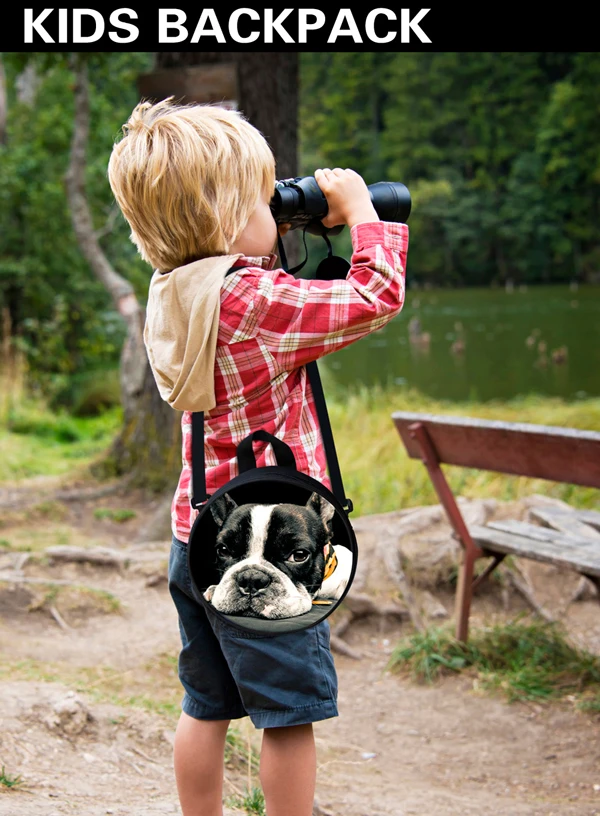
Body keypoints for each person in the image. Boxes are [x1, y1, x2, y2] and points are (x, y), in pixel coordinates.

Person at [107, 97, 408, 816]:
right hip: (265, 542)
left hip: (195, 534)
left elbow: (277, 287)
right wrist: (363, 212)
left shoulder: (176, 290)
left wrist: (282, 235)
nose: (276, 212)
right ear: (222, 217)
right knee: (288, 714)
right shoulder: (252, 300)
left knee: (204, 705)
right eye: (260, 200)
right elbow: (376, 296)